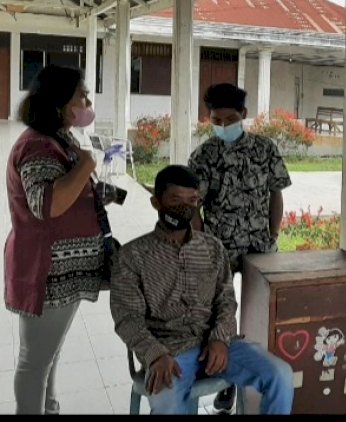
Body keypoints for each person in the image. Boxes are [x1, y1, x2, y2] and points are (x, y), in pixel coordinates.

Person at [110, 165, 294, 415]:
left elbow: (226, 301)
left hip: (218, 345)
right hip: (168, 352)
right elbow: (127, 318)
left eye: (192, 200)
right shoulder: (132, 256)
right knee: (166, 403)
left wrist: (220, 337)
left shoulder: (213, 248)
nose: (185, 207)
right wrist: (155, 354)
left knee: (280, 375)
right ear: (156, 202)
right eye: (175, 200)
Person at [5, 64, 105, 414]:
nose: (88, 102)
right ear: (60, 101)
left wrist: (99, 193)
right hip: (46, 273)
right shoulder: (37, 145)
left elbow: (69, 192)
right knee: (35, 361)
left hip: (63, 275)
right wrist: (87, 165)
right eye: (82, 95)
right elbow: (46, 205)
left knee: (49, 353)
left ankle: (48, 406)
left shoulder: (58, 138)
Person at [188, 83, 292, 411]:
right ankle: (229, 382)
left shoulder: (265, 149)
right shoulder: (203, 156)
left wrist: (273, 234)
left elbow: (276, 194)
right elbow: (192, 208)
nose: (223, 126)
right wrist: (204, 244)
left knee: (261, 316)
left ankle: (262, 378)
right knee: (222, 316)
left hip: (260, 248)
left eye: (230, 119)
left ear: (244, 114)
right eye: (216, 120)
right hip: (218, 251)